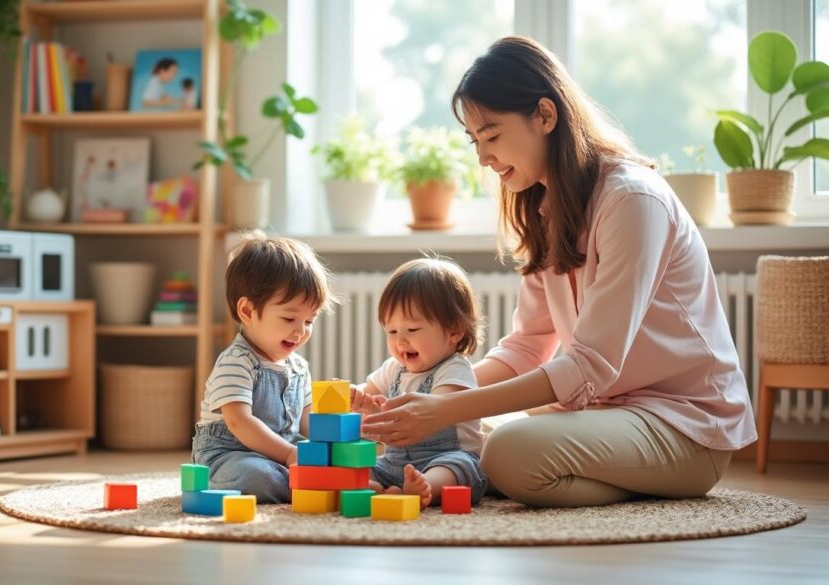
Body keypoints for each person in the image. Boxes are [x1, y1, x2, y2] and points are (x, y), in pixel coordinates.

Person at [362, 36, 757, 508]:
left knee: (501, 448)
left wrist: (445, 408)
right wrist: (422, 394)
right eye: (475, 141)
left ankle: (579, 478)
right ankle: (586, 478)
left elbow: (590, 364)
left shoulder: (631, 201)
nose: (482, 158)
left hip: (684, 427)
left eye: (491, 136)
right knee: (467, 440)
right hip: (606, 416)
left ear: (545, 116)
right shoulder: (545, 208)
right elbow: (529, 345)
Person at [191, 233, 334, 503]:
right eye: (290, 318)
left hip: (279, 456)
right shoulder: (236, 361)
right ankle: (310, 486)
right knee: (257, 477)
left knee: (331, 461)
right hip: (228, 456)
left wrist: (340, 437)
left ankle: (325, 483)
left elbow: (306, 422)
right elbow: (238, 421)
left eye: (310, 321)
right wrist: (291, 456)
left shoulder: (299, 367)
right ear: (247, 311)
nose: (301, 331)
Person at [351, 258, 487, 509]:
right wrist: (355, 398)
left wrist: (382, 413)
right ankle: (379, 488)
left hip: (445, 457)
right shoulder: (394, 369)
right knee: (358, 467)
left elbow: (435, 410)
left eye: (412, 330)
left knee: (458, 468)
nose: (400, 341)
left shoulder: (454, 369)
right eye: (392, 331)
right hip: (393, 464)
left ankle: (424, 489)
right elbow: (365, 393)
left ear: (454, 331)